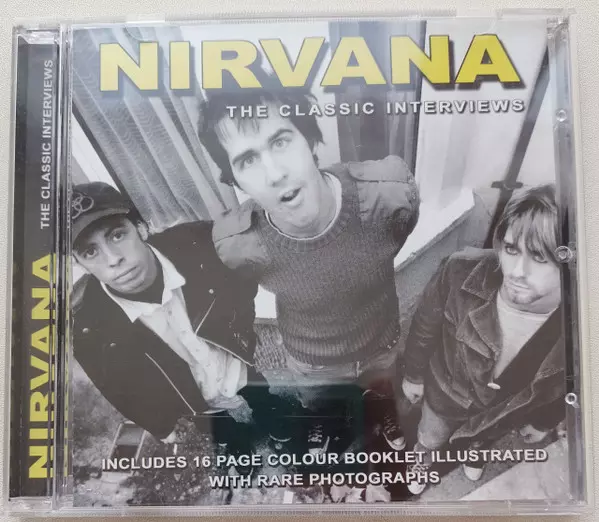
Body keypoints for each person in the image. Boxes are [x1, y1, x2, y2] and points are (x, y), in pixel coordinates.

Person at [197, 87, 420, 454]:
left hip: (382, 339)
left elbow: (399, 230)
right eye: (248, 160)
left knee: (382, 386)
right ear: (235, 180)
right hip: (311, 358)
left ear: (309, 138)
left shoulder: (388, 196)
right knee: (320, 402)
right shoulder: (239, 243)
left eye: (280, 141)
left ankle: (383, 411)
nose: (275, 174)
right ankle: (324, 423)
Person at [71, 182, 296, 469]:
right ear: (79, 263)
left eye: (117, 235)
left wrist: (242, 334)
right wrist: (160, 425)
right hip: (190, 398)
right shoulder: (87, 327)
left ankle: (272, 417)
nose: (113, 259)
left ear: (140, 228)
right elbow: (116, 387)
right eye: (90, 252)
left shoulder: (202, 245)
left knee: (259, 392)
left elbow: (243, 285)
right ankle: (238, 444)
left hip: (235, 363)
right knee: (218, 428)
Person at [401, 184, 566, 495]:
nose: (517, 271)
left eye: (539, 256)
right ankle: (423, 458)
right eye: (511, 249)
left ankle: (475, 450)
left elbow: (571, 382)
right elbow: (425, 324)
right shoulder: (460, 270)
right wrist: (413, 374)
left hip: (501, 416)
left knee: (483, 436)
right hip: (444, 397)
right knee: (430, 437)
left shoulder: (582, 321)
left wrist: (545, 421)